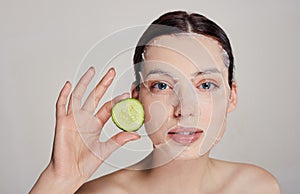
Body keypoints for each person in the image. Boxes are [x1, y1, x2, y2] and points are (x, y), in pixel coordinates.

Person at [30, 11, 281, 193]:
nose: (185, 110)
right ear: (138, 97)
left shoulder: (257, 186)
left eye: (205, 85)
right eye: (161, 86)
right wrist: (59, 180)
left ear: (231, 96)